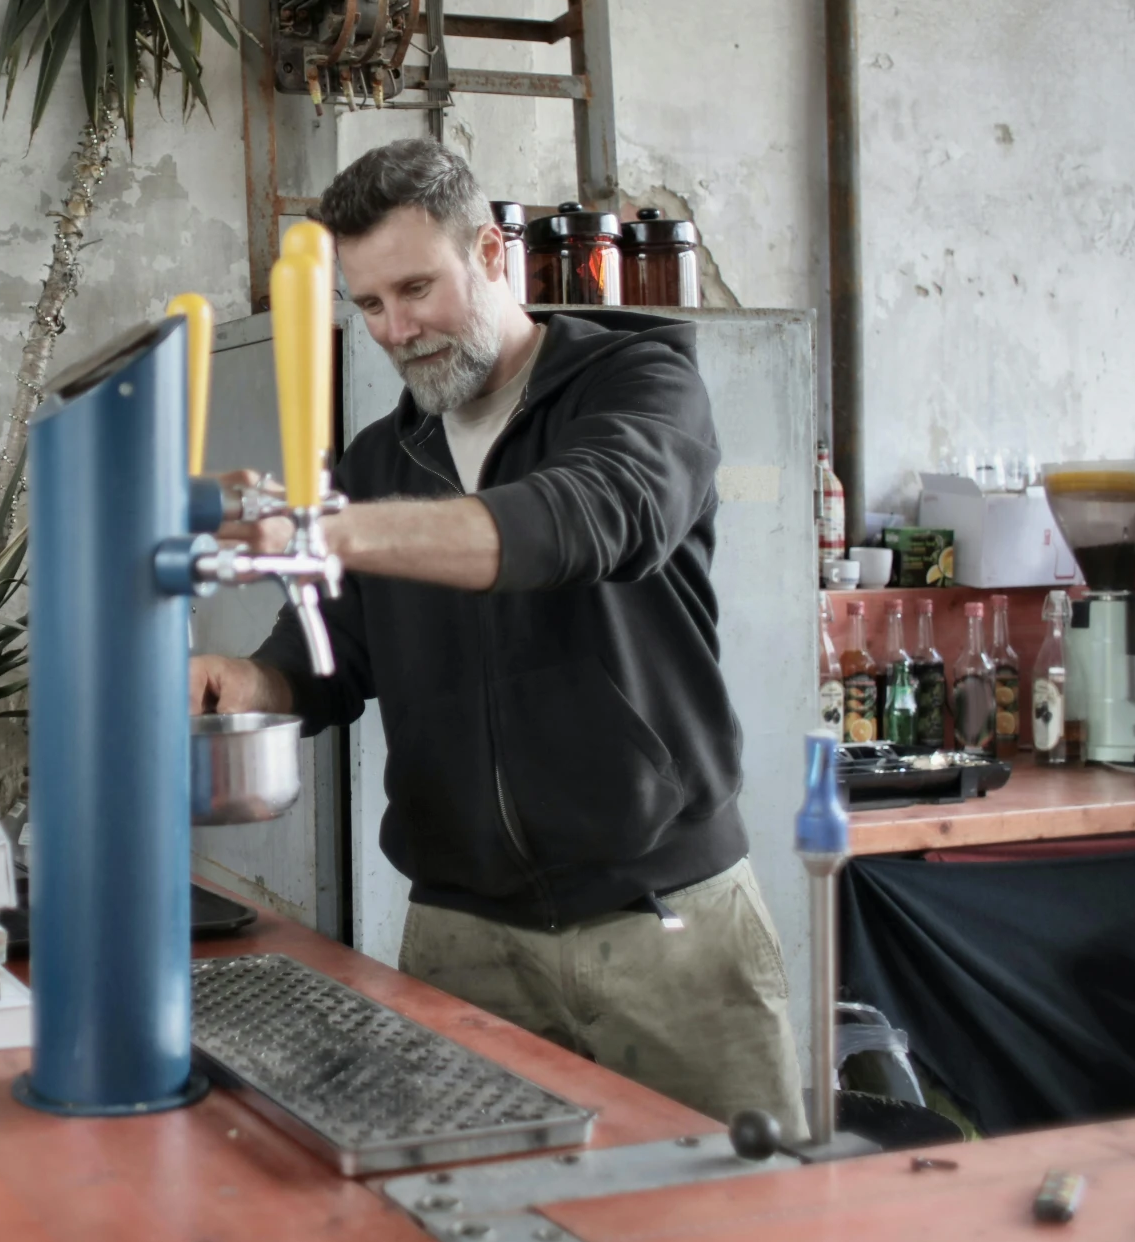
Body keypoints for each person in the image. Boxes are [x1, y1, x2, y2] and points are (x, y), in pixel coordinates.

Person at [191, 138, 804, 1129]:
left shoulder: (638, 384)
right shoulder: (380, 459)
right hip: (461, 938)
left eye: (416, 288)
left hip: (670, 925)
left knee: (737, 1236)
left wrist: (319, 528)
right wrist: (241, 683)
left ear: (490, 252)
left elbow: (582, 518)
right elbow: (332, 656)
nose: (396, 329)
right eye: (371, 306)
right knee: (474, 1238)